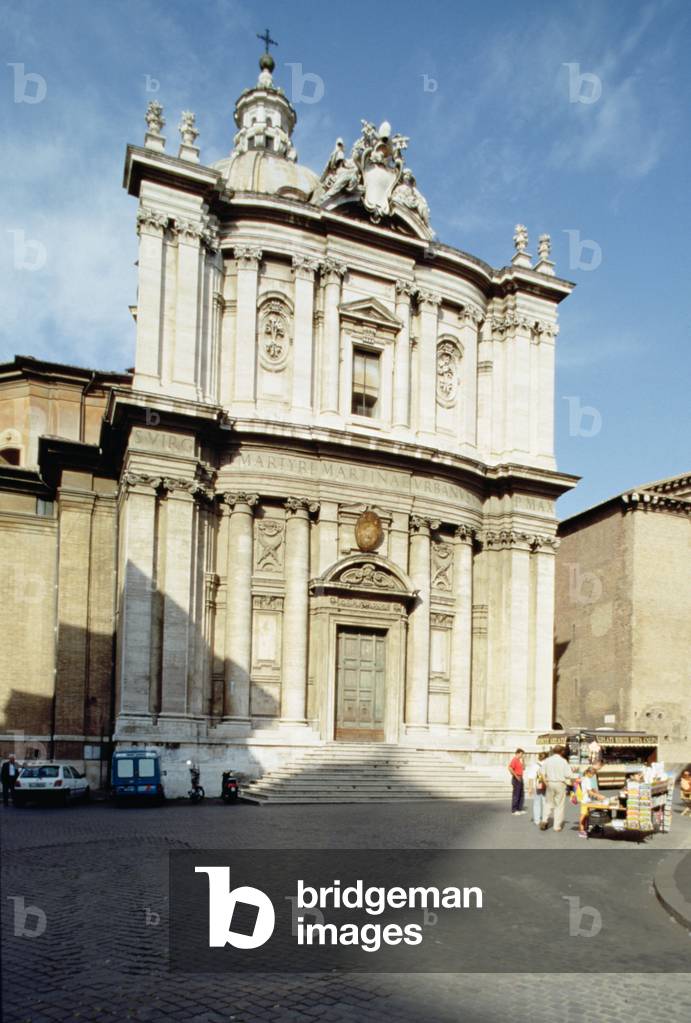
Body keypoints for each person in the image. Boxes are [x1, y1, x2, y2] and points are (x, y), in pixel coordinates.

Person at [539, 745, 574, 832]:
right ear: (561, 752)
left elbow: (542, 772)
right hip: (560, 783)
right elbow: (568, 775)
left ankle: (544, 820)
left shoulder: (547, 760)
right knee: (559, 805)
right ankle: (556, 826)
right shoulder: (563, 761)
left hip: (550, 783)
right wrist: (573, 771)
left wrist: (546, 782)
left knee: (548, 803)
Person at [577, 766, 604, 838]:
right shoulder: (587, 780)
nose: (592, 776)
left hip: (585, 800)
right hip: (585, 800)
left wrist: (597, 794)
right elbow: (590, 792)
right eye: (592, 774)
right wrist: (598, 796)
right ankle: (581, 831)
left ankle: (584, 829)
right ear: (588, 773)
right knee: (583, 815)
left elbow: (591, 789)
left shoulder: (583, 778)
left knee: (585, 815)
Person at [524, 752, 548, 825]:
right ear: (546, 758)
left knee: (536, 803)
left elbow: (531, 777)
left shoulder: (534, 765)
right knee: (545, 803)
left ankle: (537, 820)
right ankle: (545, 819)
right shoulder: (547, 765)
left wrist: (530, 788)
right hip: (546, 785)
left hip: (537, 786)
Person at [508, 748, 526, 815]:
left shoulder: (519, 760)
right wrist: (516, 776)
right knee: (516, 794)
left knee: (521, 794)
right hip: (517, 778)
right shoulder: (514, 760)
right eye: (521, 754)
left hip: (521, 777)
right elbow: (510, 768)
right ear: (518, 753)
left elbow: (524, 768)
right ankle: (514, 810)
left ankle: (519, 809)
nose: (522, 755)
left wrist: (523, 761)